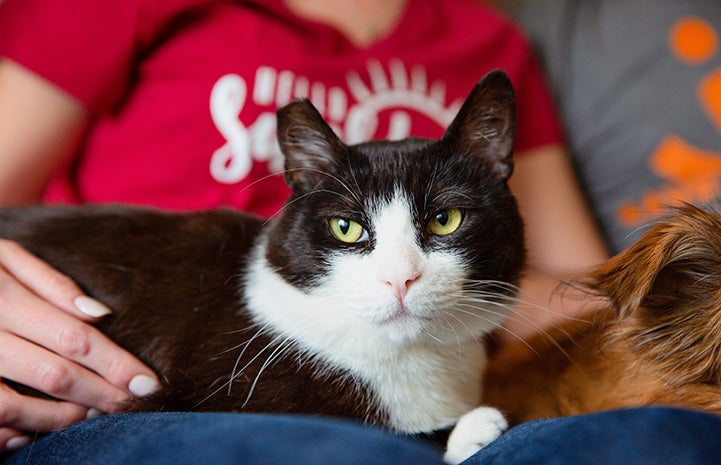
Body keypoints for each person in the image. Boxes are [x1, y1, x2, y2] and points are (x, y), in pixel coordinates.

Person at [5, 0, 706, 463]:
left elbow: (574, 296)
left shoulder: (486, 38)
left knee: (652, 440)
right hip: (146, 384)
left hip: (446, 389)